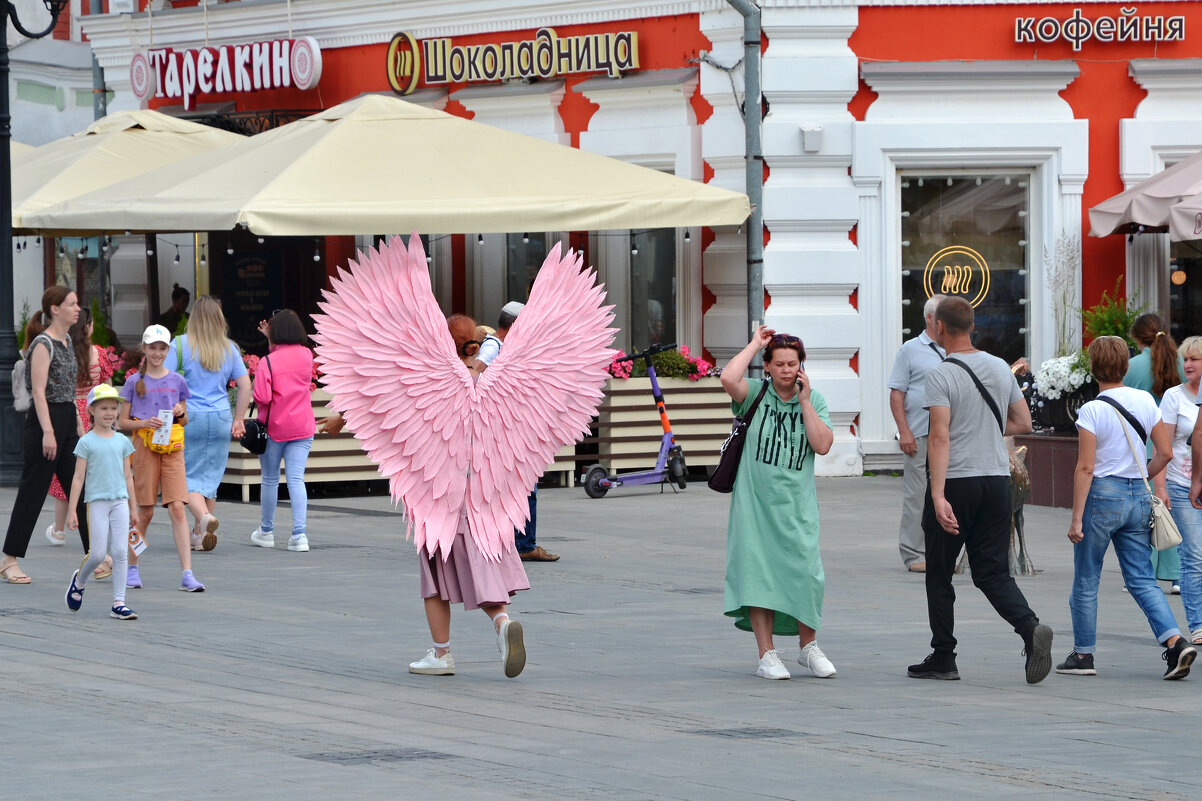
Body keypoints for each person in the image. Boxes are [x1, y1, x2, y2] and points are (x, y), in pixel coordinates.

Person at [908, 296, 1053, 684]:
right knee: (992, 573)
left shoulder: (940, 374)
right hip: (995, 481)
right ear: (972, 326)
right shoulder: (997, 367)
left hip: (956, 481)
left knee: (939, 573)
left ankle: (943, 657)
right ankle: (1029, 627)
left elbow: (939, 437)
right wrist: (984, 429)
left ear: (939, 328)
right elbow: (1023, 421)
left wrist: (938, 496)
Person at [404, 314, 532, 677]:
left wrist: (340, 418)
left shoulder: (436, 380)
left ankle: (441, 654)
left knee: (434, 575)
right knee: (482, 561)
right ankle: (502, 622)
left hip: (438, 492)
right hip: (485, 490)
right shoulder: (491, 379)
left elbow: (389, 410)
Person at [1060, 335, 1195, 678]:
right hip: (1138, 494)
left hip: (1103, 496)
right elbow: (1164, 452)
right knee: (1141, 578)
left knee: (1087, 578)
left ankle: (1083, 655)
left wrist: (1076, 518)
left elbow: (1086, 468)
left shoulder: (1092, 409)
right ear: (1124, 364)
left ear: (1093, 367)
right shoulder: (1146, 401)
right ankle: (1175, 642)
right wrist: (1142, 477)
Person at [719, 325, 836, 680]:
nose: (787, 370)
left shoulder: (814, 401)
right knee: (758, 577)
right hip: (754, 506)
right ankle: (766, 654)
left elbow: (823, 445)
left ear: (802, 366)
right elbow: (727, 377)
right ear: (767, 366)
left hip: (797, 507)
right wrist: (756, 344)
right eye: (780, 363)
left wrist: (803, 401)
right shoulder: (753, 393)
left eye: (793, 363)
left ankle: (808, 647)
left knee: (807, 575)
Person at [1, 287, 88, 584]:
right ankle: (9, 559)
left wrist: (76, 420)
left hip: (65, 419)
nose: (77, 309)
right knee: (33, 492)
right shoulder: (43, 344)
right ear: (54, 308)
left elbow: (68, 390)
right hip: (44, 423)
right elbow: (39, 391)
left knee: (82, 489)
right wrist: (49, 432)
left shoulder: (66, 341)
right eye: (72, 304)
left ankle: (97, 555)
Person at [118, 324, 203, 592]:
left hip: (173, 447)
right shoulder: (133, 382)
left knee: (178, 507)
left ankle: (187, 573)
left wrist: (179, 411)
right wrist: (143, 422)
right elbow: (122, 422)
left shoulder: (177, 380)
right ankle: (132, 567)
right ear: (144, 349)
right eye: (152, 347)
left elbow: (185, 418)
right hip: (144, 447)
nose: (157, 353)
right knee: (145, 511)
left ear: (168, 350)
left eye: (162, 348)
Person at [475, 301, 558, 562]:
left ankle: (517, 543)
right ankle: (522, 545)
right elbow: (475, 377)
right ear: (514, 326)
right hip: (500, 432)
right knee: (522, 486)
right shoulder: (493, 347)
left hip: (509, 429)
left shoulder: (504, 349)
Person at [168, 296, 252, 553]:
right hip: (219, 416)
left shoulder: (180, 345)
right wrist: (239, 418)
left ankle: (204, 520)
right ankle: (200, 534)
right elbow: (245, 384)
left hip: (189, 416)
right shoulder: (229, 348)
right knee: (210, 476)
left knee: (185, 479)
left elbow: (166, 380)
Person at [64, 384, 139, 620]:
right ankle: (80, 580)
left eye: (113, 408)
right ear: (92, 411)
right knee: (97, 554)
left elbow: (128, 476)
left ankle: (119, 603)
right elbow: (78, 478)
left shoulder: (122, 442)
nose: (109, 413)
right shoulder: (86, 442)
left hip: (120, 502)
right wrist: (72, 511)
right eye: (103, 408)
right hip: (96, 502)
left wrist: (133, 507)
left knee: (119, 552)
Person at [44, 307, 112, 563]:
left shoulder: (66, 353)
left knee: (67, 476)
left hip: (71, 413)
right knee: (94, 476)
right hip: (94, 415)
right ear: (90, 326)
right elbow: (105, 383)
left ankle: (59, 529)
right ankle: (96, 529)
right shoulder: (99, 354)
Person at [1123, 313, 1184, 593]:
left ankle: (1140, 573)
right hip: (1178, 447)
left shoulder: (1130, 367)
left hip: (1140, 449)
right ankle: (1177, 575)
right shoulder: (1182, 363)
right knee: (1174, 510)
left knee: (1142, 515)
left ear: (1136, 339)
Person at [887, 293, 946, 573]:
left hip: (951, 435)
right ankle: (913, 554)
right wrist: (904, 432)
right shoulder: (910, 349)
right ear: (930, 318)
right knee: (917, 495)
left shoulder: (957, 347)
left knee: (951, 493)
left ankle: (945, 552)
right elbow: (897, 394)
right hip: (920, 433)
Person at [248, 309, 315, 553]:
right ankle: (300, 535)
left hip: (275, 428)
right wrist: (271, 339)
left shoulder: (267, 362)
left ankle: (266, 531)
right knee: (296, 479)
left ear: (275, 332)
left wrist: (269, 342)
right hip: (303, 427)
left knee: (269, 479)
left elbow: (262, 396)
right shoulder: (307, 355)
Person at [1154, 335, 1202, 646]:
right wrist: (1160, 487)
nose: (1187, 364)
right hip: (1181, 484)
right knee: (1194, 555)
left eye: (1194, 359)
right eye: (1185, 359)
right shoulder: (1174, 397)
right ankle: (1198, 625)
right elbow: (1164, 444)